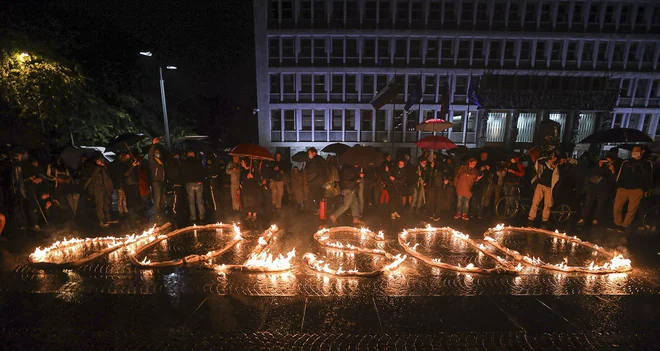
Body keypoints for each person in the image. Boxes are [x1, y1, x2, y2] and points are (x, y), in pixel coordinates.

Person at [610, 146, 653, 232]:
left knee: (632, 210)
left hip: (637, 189)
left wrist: (645, 189)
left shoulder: (647, 163)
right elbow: (620, 175)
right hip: (623, 188)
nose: (635, 152)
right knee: (617, 207)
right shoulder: (626, 162)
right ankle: (617, 223)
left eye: (637, 151)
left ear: (642, 151)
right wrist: (618, 187)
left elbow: (649, 177)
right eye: (633, 151)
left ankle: (625, 225)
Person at [578, 156, 616, 226]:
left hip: (604, 188)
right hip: (593, 187)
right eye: (605, 161)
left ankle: (596, 219)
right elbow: (595, 173)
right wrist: (600, 166)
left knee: (600, 204)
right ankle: (583, 218)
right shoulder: (597, 167)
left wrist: (613, 171)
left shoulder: (612, 168)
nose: (606, 163)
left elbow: (613, 179)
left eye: (608, 162)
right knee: (588, 203)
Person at [528, 152, 560, 226]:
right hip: (540, 185)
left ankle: (545, 219)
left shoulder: (556, 170)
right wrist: (550, 160)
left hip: (549, 188)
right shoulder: (545, 164)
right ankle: (531, 218)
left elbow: (556, 179)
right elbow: (540, 161)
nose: (554, 164)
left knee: (548, 204)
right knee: (535, 201)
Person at [84, 155, 114, 227]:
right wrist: (98, 166)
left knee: (106, 203)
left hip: (105, 188)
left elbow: (107, 175)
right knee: (99, 204)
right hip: (97, 188)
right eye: (99, 160)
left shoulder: (104, 167)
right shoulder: (91, 166)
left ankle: (107, 218)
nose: (101, 161)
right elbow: (92, 174)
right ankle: (102, 220)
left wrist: (103, 166)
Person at [182, 150, 206, 223]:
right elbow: (202, 172)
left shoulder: (184, 163)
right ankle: (202, 216)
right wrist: (201, 180)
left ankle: (193, 217)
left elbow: (183, 173)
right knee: (199, 200)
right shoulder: (198, 162)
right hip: (198, 183)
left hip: (189, 183)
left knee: (191, 201)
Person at [148, 137, 166, 219]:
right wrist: (153, 145)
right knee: (157, 198)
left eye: (158, 152)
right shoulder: (153, 161)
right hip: (156, 181)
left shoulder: (161, 162)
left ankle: (162, 212)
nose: (157, 153)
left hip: (161, 181)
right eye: (156, 152)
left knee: (162, 198)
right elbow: (150, 154)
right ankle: (157, 214)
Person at [473, 152, 494, 218]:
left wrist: (489, 169)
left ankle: (479, 213)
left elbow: (492, 172)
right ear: (480, 155)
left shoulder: (489, 163)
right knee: (474, 198)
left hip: (485, 183)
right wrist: (480, 169)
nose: (484, 157)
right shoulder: (477, 163)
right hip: (476, 183)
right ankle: (473, 212)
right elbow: (474, 171)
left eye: (485, 156)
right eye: (483, 155)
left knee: (482, 198)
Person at [305, 147, 326, 213]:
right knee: (318, 196)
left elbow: (311, 170)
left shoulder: (313, 161)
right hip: (320, 181)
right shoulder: (321, 159)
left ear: (314, 153)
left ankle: (313, 209)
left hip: (314, 181)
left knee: (310, 196)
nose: (309, 155)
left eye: (310, 153)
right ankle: (320, 209)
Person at [165, 151, 184, 219]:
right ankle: (175, 213)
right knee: (175, 199)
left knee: (176, 199)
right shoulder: (172, 163)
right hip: (175, 183)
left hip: (176, 183)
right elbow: (173, 173)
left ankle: (176, 212)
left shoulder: (175, 162)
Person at [206, 152, 224, 222]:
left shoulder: (212, 161)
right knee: (216, 197)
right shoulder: (216, 160)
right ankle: (218, 209)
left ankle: (217, 210)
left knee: (215, 197)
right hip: (215, 180)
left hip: (215, 180)